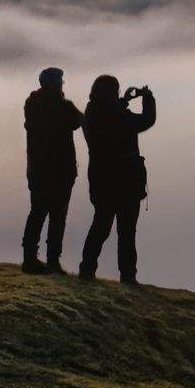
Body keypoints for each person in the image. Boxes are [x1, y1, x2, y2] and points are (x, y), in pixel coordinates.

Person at [78, 75, 156, 285]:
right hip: (127, 181)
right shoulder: (121, 116)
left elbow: (110, 112)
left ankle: (87, 269)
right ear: (114, 92)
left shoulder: (91, 113)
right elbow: (147, 120)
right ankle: (128, 276)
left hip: (101, 180)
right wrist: (148, 98)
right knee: (127, 232)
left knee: (100, 226)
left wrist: (123, 101)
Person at [21, 66, 82, 275]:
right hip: (61, 170)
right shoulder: (63, 106)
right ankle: (53, 262)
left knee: (37, 213)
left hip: (37, 168)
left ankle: (29, 259)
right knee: (58, 216)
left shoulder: (32, 103)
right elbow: (79, 122)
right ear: (58, 85)